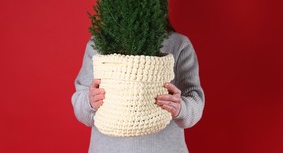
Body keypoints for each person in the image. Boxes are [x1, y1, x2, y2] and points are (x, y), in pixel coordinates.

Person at [71, 30, 205, 152]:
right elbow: (80, 106)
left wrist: (181, 107)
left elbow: (195, 102)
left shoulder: (178, 43)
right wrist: (89, 101)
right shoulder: (99, 44)